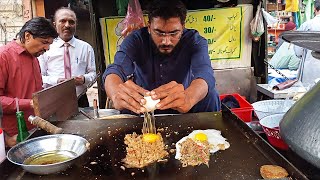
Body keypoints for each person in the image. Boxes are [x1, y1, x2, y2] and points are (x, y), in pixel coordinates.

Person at [103, 0, 221, 115]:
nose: (166, 41)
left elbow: (205, 73)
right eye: (159, 33)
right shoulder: (136, 40)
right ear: (149, 27)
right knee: (125, 101)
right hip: (144, 105)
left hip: (180, 103)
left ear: (183, 27)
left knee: (210, 95)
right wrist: (115, 93)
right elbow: (116, 69)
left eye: (174, 33)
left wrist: (189, 97)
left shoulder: (194, 41)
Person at [0, 17, 58, 147]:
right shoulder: (4, 56)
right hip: (13, 137)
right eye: (44, 42)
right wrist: (30, 103)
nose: (47, 48)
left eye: (49, 44)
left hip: (35, 129)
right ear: (27, 36)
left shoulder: (34, 57)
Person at [38, 7, 96, 107]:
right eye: (63, 21)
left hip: (80, 100)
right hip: (53, 100)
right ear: (55, 24)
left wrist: (83, 79)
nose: (67, 25)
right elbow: (39, 77)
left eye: (71, 22)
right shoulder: (46, 48)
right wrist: (57, 81)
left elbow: (93, 74)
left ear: (76, 25)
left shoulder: (86, 48)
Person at [294, 0, 320, 85]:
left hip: (310, 69)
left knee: (309, 95)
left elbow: (298, 51)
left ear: (315, 9)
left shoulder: (307, 25)